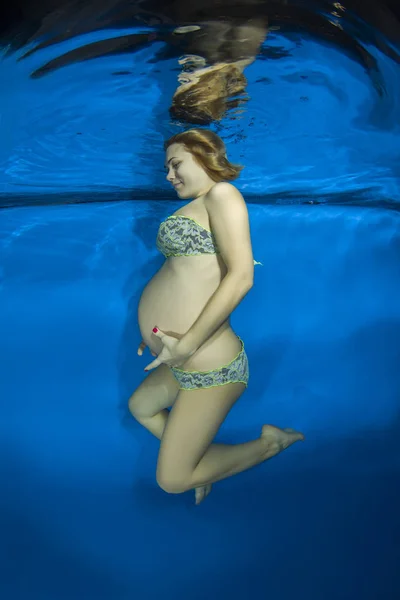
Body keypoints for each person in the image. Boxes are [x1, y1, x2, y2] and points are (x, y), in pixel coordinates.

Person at [128, 128, 304, 505]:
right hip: (180, 357)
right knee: (140, 407)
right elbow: (189, 275)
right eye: (166, 168)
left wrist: (186, 343)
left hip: (208, 364)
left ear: (203, 155)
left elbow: (241, 276)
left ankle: (270, 444)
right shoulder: (199, 204)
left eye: (176, 164)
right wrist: (156, 332)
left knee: (172, 481)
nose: (168, 176)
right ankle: (204, 464)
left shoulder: (222, 195)